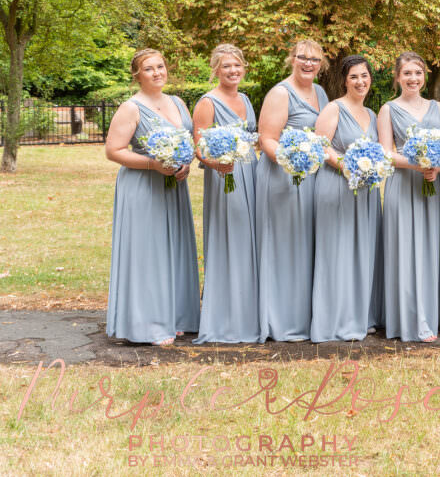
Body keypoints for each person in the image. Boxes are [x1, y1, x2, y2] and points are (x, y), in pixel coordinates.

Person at [104, 48, 198, 345]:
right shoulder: (131, 107)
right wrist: (153, 164)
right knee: (149, 251)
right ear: (137, 75)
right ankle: (149, 324)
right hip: (143, 186)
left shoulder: (178, 102)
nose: (157, 72)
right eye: (149, 69)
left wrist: (185, 164)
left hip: (173, 187)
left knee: (173, 247)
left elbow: (188, 143)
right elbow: (113, 151)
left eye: (160, 66)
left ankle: (175, 315)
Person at [255, 39, 329, 342]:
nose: (308, 63)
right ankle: (279, 319)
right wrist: (291, 164)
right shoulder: (280, 93)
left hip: (310, 176)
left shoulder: (321, 92)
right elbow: (267, 139)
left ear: (321, 63)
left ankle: (304, 315)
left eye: (314, 59)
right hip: (284, 176)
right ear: (292, 59)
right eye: (302, 57)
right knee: (284, 245)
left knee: (304, 244)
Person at [310, 55, 383, 342]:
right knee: (337, 252)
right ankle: (334, 321)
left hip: (365, 191)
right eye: (354, 77)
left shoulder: (373, 115)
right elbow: (322, 147)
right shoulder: (334, 109)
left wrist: (371, 170)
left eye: (364, 76)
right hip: (337, 186)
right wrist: (348, 166)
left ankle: (359, 316)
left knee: (361, 252)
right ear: (344, 80)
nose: (360, 81)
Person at [193, 44, 260, 343]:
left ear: (244, 67)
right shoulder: (207, 102)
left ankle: (249, 307)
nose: (233, 71)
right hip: (225, 176)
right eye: (226, 67)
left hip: (251, 173)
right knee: (229, 238)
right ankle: (225, 313)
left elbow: (252, 137)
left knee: (249, 238)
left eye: (237, 66)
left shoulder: (245, 98)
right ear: (216, 70)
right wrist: (219, 164)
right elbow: (199, 147)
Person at [378, 52, 440, 342]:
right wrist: (417, 163)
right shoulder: (388, 109)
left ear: (424, 75)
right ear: (397, 77)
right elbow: (386, 153)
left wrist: (435, 165)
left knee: (429, 249)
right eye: (407, 73)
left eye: (418, 73)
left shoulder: (439, 107)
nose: (413, 78)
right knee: (404, 251)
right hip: (402, 185)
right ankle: (407, 320)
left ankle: (430, 315)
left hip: (430, 186)